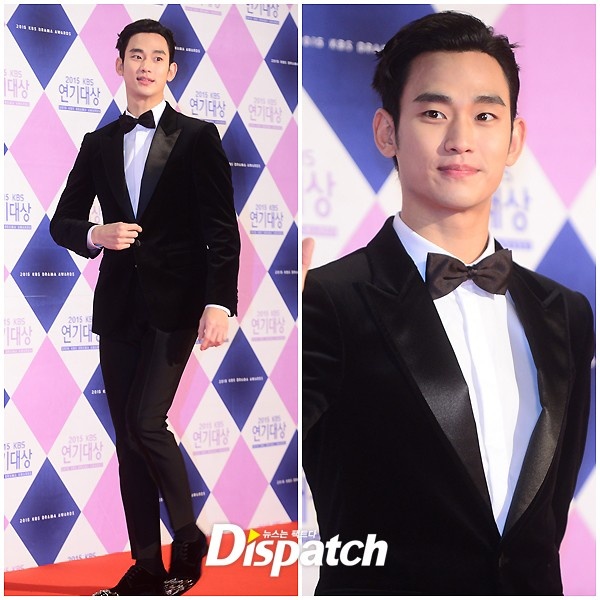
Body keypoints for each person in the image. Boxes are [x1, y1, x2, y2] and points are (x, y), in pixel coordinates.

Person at [302, 11, 594, 595]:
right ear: (387, 132)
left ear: (514, 139)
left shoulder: (566, 311)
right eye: (434, 113)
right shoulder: (325, 302)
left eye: (485, 115)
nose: (461, 139)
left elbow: (550, 510)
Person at [50, 19, 240, 596]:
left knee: (144, 422)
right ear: (119, 64)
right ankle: (146, 567)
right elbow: (63, 221)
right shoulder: (99, 142)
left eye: (158, 57)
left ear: (171, 69)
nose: (146, 65)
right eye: (136, 55)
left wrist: (219, 303)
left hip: (176, 306)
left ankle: (187, 536)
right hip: (118, 307)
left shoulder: (198, 137)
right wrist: (96, 235)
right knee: (127, 441)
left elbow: (221, 231)